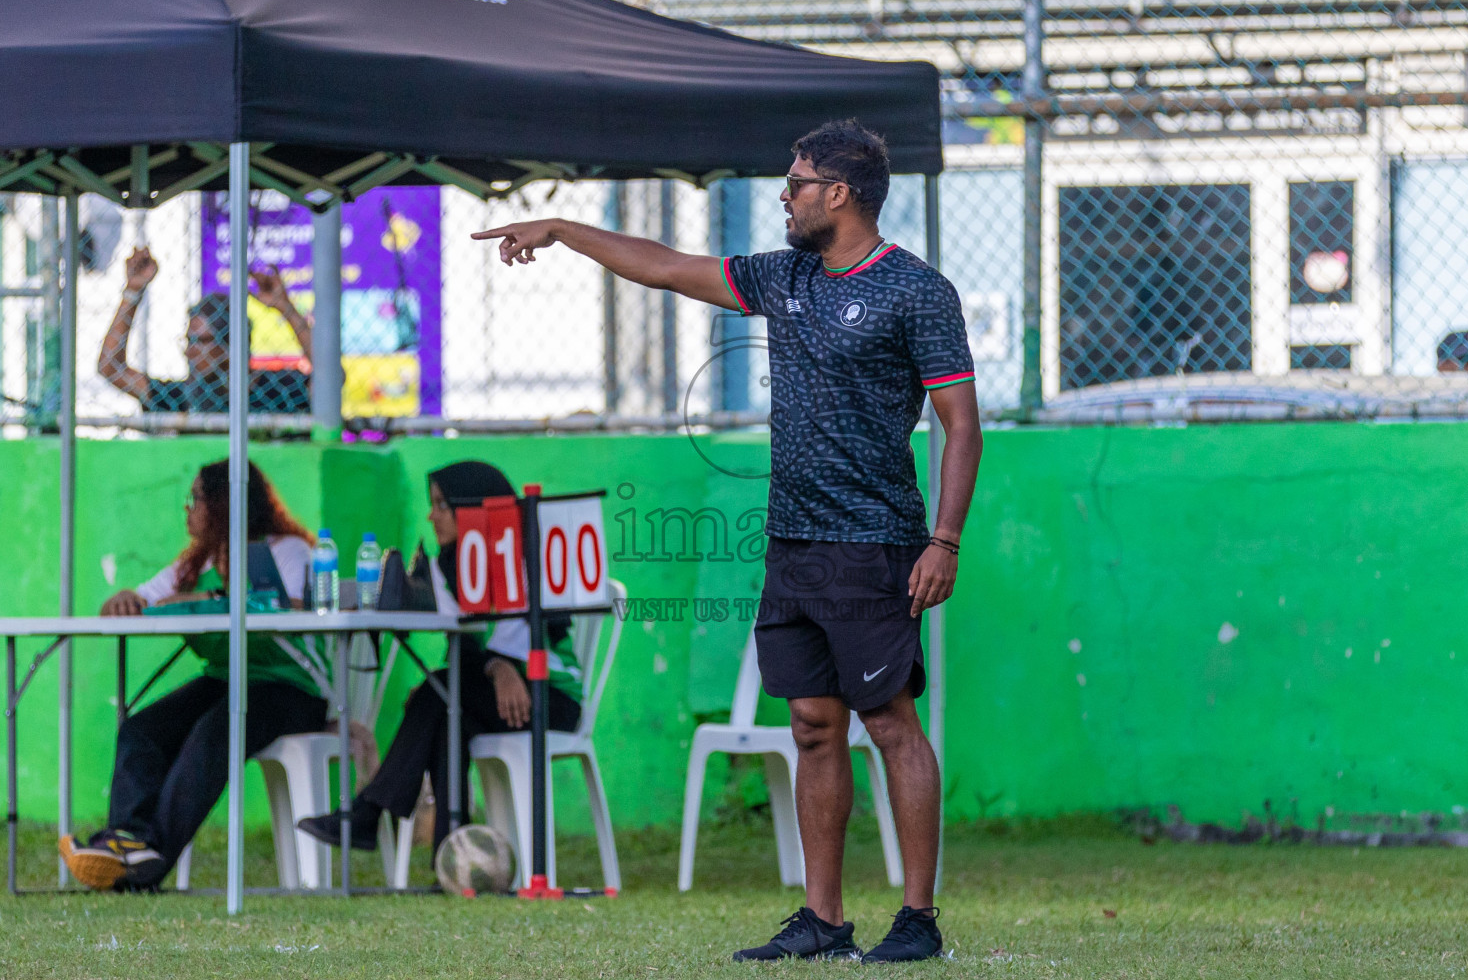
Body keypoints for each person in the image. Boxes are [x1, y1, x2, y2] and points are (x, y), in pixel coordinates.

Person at [471, 120, 982, 963]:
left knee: (889, 723)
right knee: (813, 726)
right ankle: (823, 920)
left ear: (841, 194)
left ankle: (918, 919)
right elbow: (667, 267)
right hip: (792, 544)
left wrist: (945, 540)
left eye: (798, 181)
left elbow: (960, 425)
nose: (785, 194)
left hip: (874, 543)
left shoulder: (915, 291)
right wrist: (561, 231)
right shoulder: (784, 278)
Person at [59, 460, 323, 891]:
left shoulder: (286, 550)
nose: (188, 509)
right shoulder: (194, 563)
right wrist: (125, 598)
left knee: (211, 734)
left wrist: (214, 598)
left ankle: (146, 863)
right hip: (225, 680)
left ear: (222, 504)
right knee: (142, 729)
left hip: (289, 688)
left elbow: (293, 608)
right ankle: (127, 839)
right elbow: (138, 599)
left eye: (196, 499)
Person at [296, 461, 583, 858]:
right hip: (487, 696)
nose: (431, 516)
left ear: (471, 508)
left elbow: (516, 632)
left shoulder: (526, 557)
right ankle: (453, 857)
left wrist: (500, 666)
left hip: (549, 696)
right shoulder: (450, 567)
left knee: (440, 694)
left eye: (441, 506)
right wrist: (490, 668)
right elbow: (463, 640)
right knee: (445, 711)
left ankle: (369, 813)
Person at [97, 246, 313, 413]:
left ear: (229, 345)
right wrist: (133, 291)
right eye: (188, 341)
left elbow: (331, 378)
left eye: (199, 341)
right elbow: (110, 368)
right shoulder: (182, 395)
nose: (188, 352)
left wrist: (286, 308)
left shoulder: (277, 388)